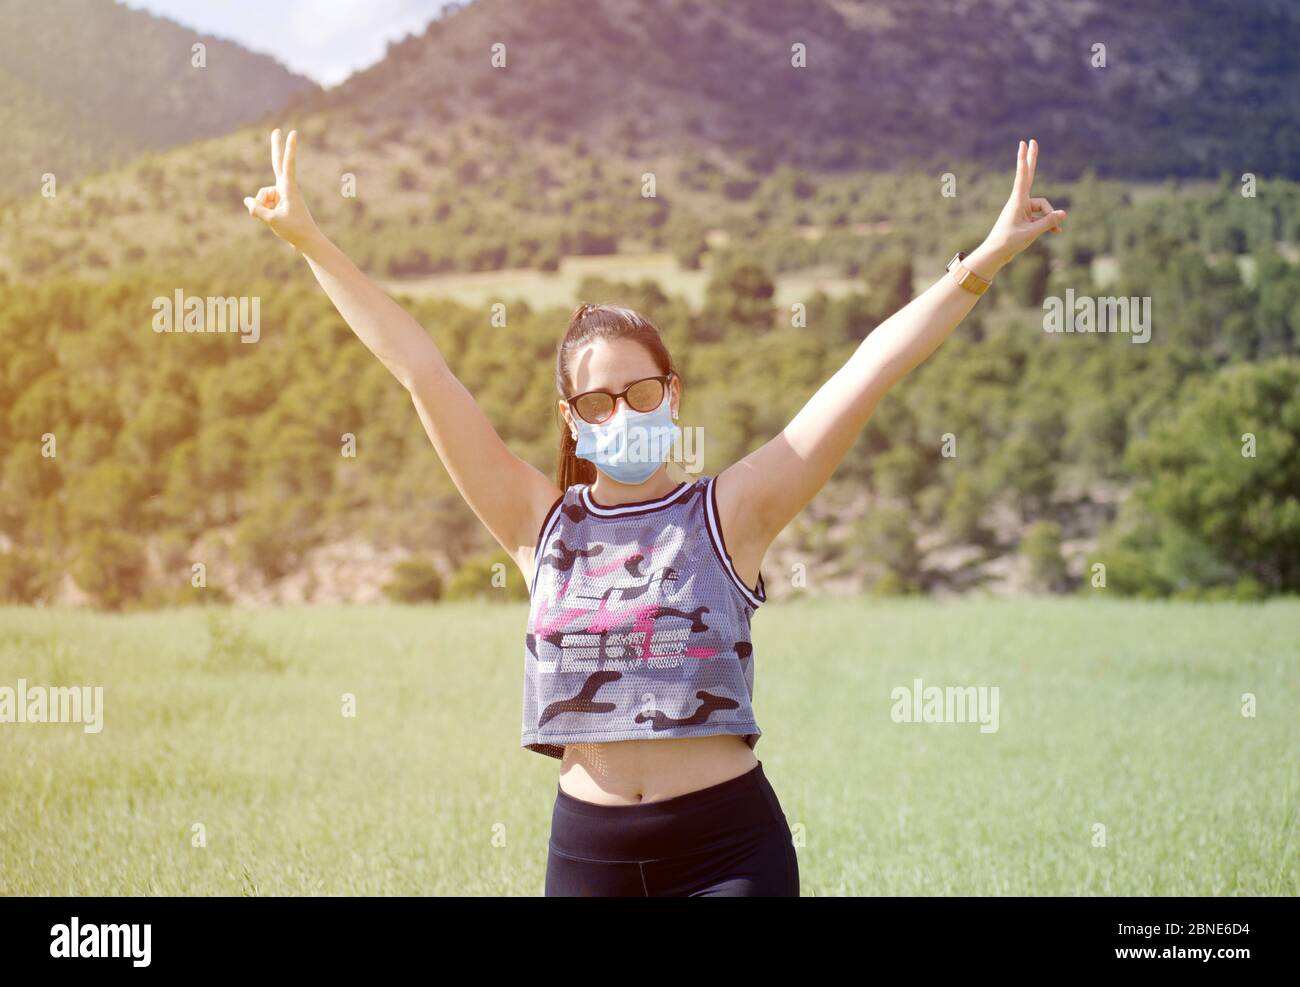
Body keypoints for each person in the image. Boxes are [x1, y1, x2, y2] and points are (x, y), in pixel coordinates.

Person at [245, 130, 1066, 896]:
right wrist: (313, 243)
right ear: (571, 417)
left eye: (640, 392)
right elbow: (420, 369)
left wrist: (982, 262)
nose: (622, 413)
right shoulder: (539, 524)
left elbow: (866, 371)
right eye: (597, 401)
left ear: (671, 394)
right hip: (588, 856)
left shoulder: (732, 511)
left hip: (728, 849)